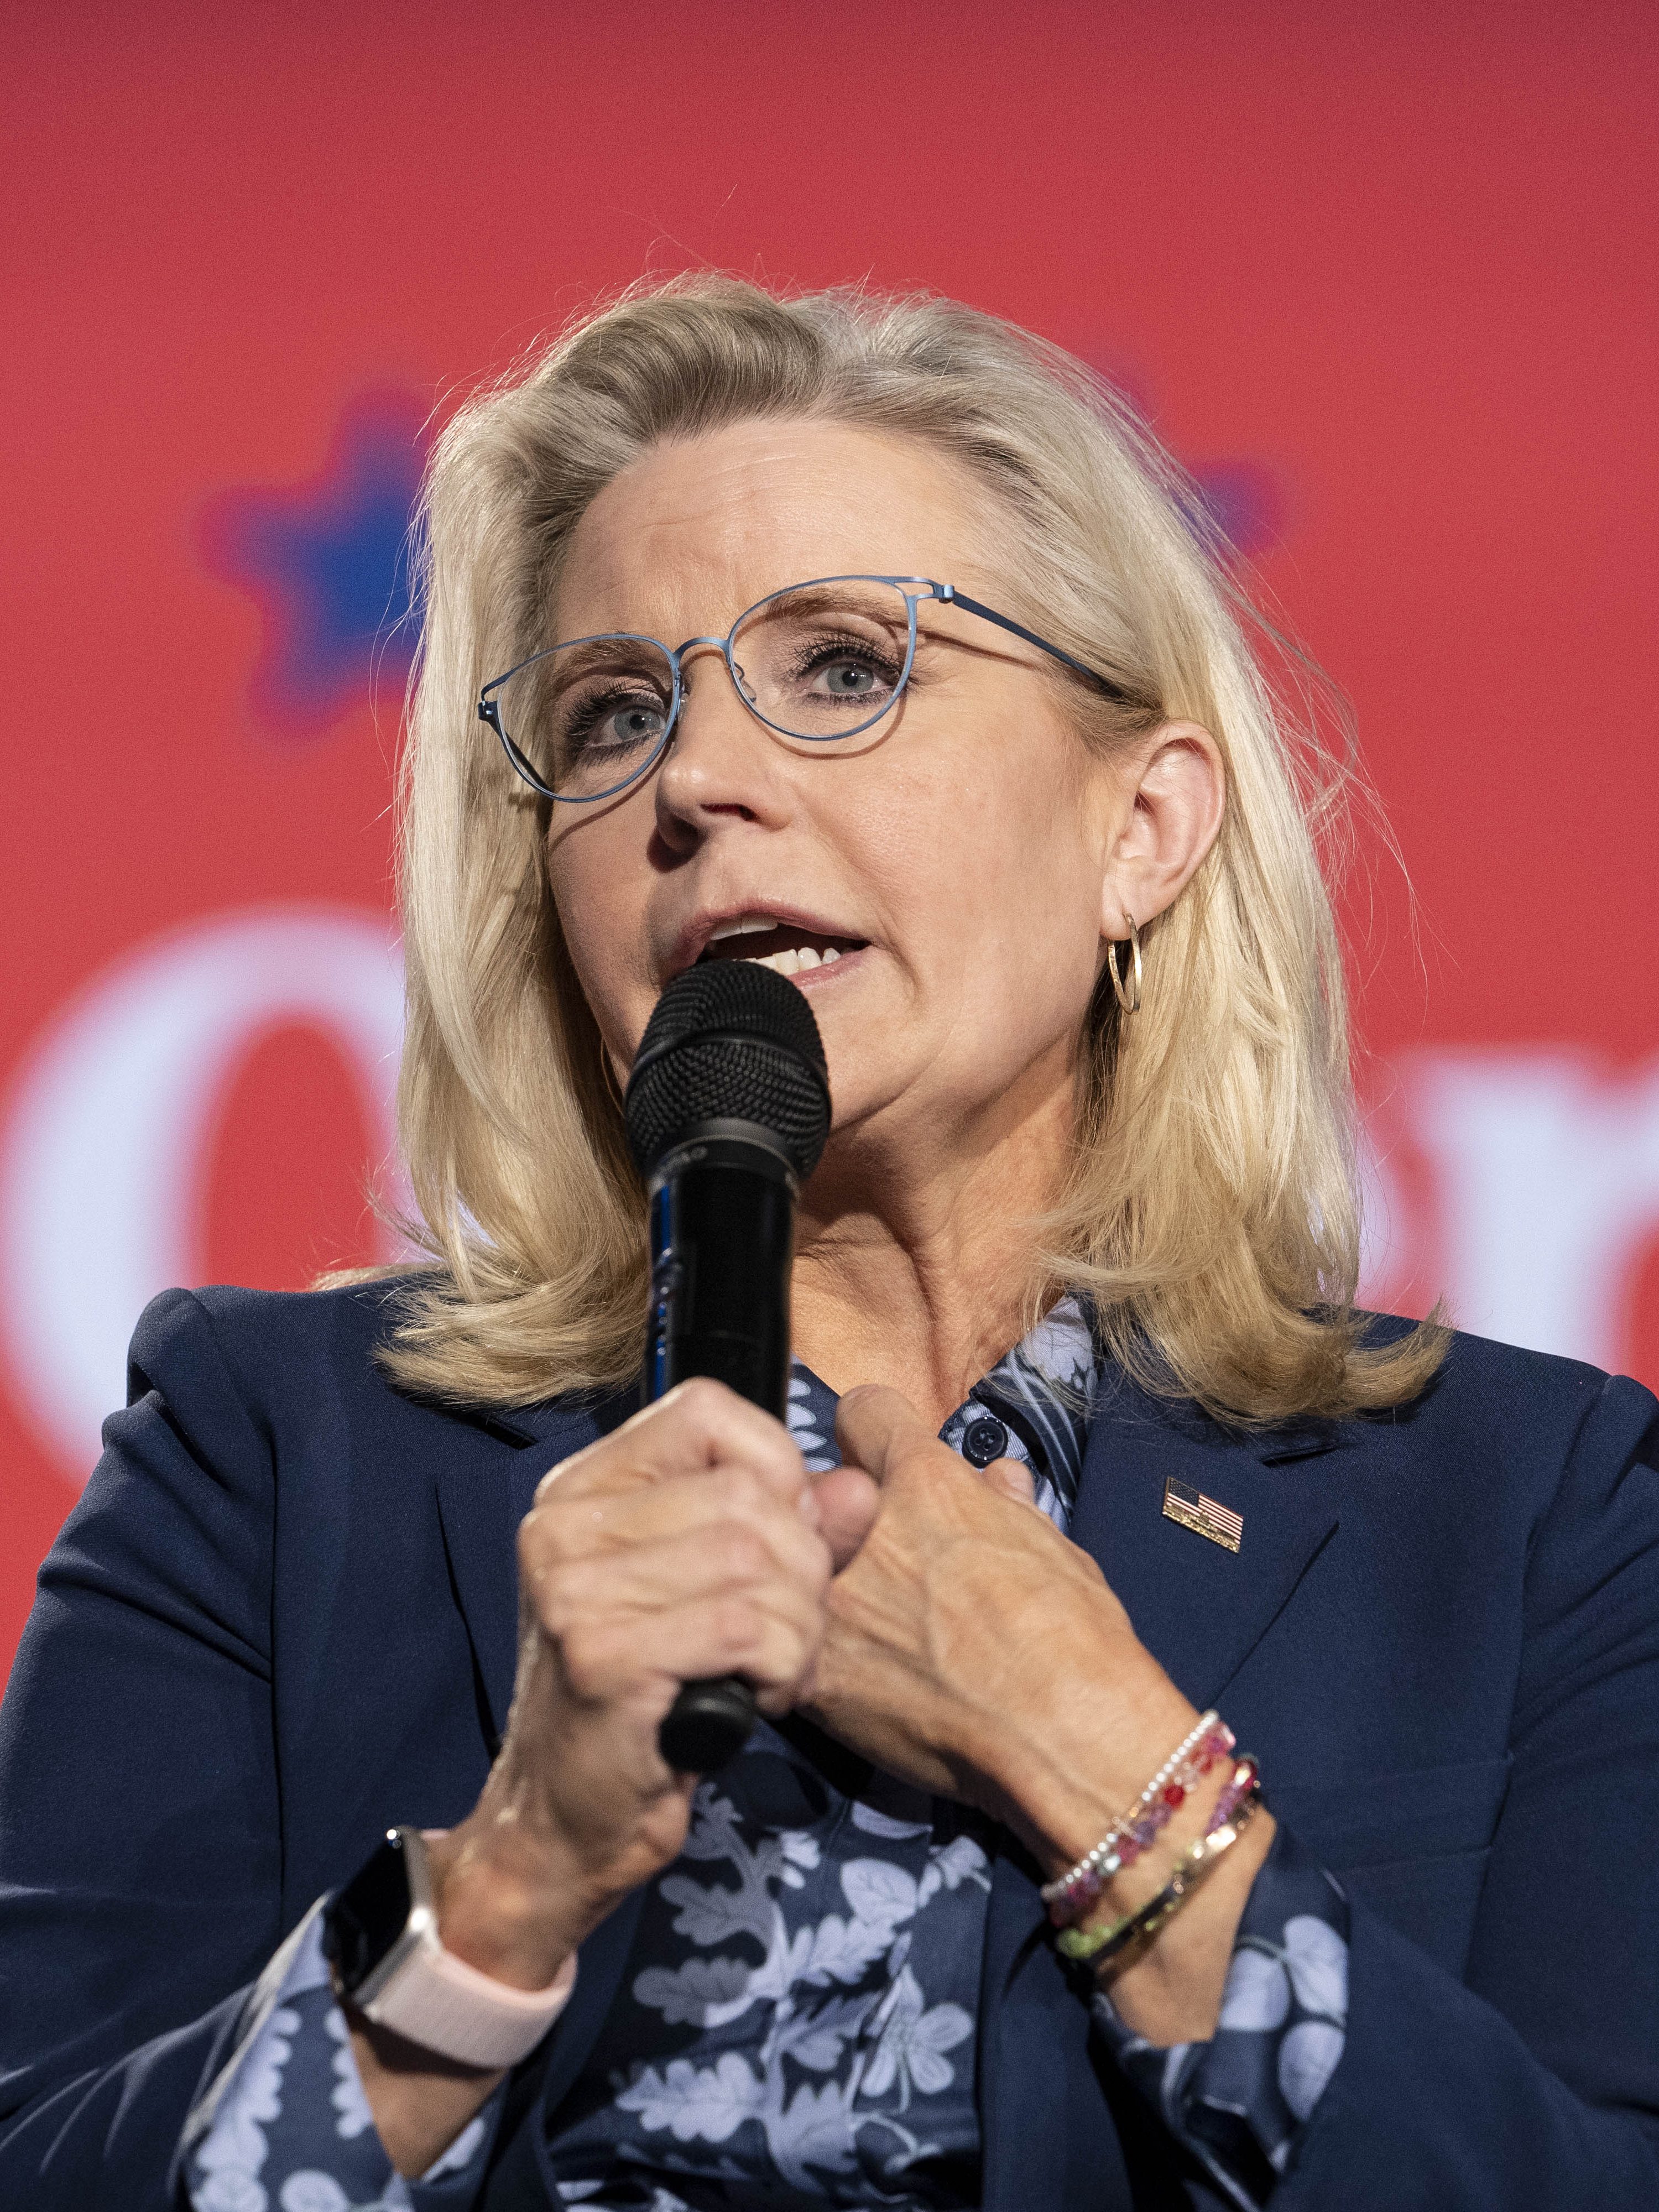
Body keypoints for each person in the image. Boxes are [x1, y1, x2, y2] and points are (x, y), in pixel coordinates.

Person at [1, 276, 1655, 2212]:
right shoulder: (272, 1455)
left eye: (848, 665)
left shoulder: (1536, 1513)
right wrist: (511, 1878)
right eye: (613, 714)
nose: (696, 783)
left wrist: (1104, 1758)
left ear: (1144, 825)